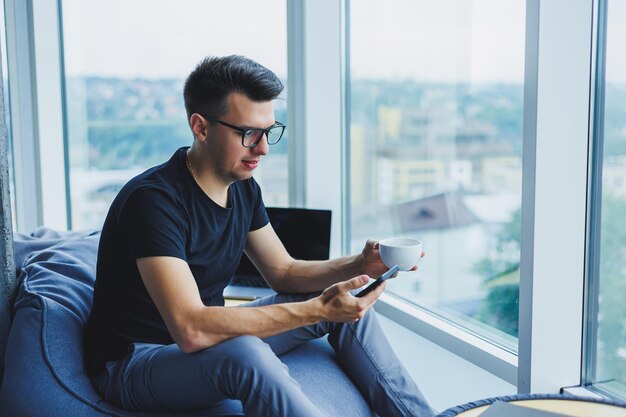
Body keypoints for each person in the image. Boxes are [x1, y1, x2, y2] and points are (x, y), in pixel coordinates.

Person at [84, 55, 435, 417]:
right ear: (201, 127)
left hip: (204, 338)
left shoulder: (242, 186)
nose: (263, 148)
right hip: (135, 361)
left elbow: (283, 272)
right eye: (248, 133)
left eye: (269, 132)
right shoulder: (153, 202)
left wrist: (360, 264)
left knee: (342, 293)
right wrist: (312, 312)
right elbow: (190, 329)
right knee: (246, 353)